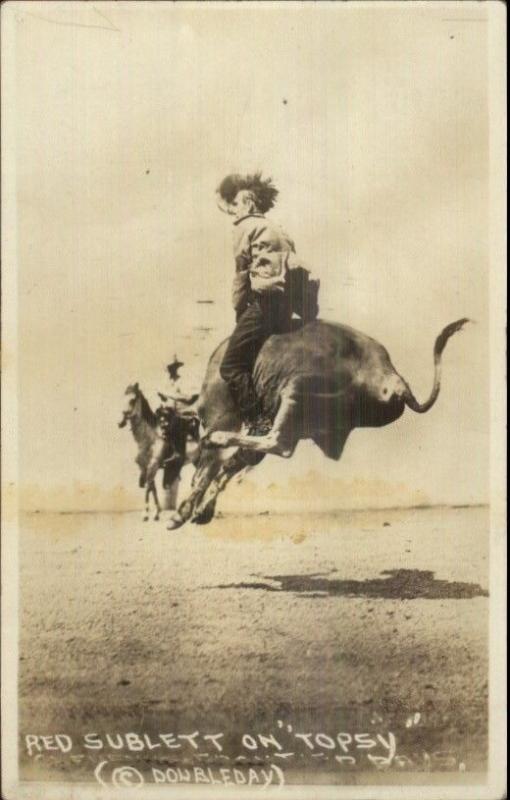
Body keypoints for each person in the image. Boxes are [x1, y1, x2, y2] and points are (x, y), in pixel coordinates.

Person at [216, 172, 301, 433]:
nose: (234, 212)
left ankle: (258, 422)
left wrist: (239, 310)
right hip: (287, 308)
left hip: (264, 306)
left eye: (237, 205)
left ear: (249, 202)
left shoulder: (245, 227)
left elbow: (242, 274)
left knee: (230, 365)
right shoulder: (280, 229)